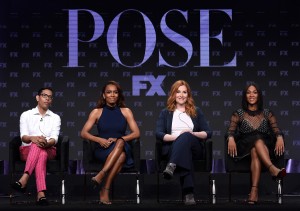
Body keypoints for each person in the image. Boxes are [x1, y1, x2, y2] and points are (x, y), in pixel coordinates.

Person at [80, 80, 140, 205]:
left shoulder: (126, 111)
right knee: (121, 155)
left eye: (115, 92)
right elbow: (84, 133)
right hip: (103, 148)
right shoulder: (97, 112)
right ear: (104, 95)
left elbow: (136, 133)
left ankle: (101, 175)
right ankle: (104, 190)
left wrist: (120, 139)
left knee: (121, 144)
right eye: (109, 92)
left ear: (118, 95)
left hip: (122, 145)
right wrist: (99, 139)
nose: (112, 95)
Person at [226, 82, 286, 204]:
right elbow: (230, 131)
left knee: (256, 146)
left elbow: (276, 129)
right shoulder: (238, 113)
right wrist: (231, 138)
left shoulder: (267, 113)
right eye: (248, 92)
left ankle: (253, 192)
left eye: (255, 92)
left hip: (264, 146)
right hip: (245, 147)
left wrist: (279, 137)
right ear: (245, 96)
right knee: (254, 143)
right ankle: (273, 170)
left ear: (259, 95)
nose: (251, 95)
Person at [155, 80, 212, 205]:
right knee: (185, 152)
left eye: (184, 92)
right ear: (173, 94)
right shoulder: (166, 113)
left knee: (186, 136)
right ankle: (188, 193)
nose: (181, 95)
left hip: (195, 147)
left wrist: (192, 134)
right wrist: (178, 136)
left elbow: (208, 132)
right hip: (173, 149)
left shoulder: (196, 111)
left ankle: (172, 165)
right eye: (178, 92)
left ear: (188, 94)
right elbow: (159, 134)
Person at [11, 87, 61, 206]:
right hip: (27, 150)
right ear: (37, 97)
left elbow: (55, 138)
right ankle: (41, 194)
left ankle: (24, 179)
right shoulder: (26, 115)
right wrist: (34, 139)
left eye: (50, 97)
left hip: (49, 149)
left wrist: (46, 143)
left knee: (42, 151)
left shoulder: (55, 117)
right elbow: (23, 136)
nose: (47, 99)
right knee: (38, 148)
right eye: (44, 95)